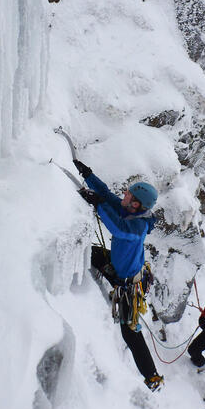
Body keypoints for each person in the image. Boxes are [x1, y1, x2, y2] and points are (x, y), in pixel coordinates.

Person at [73, 158, 164, 392]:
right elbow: (106, 194)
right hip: (118, 267)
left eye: (128, 195)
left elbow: (118, 228)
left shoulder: (137, 227)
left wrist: (98, 205)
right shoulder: (129, 210)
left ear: (136, 204)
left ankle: (152, 377)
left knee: (130, 333)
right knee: (90, 252)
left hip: (128, 286)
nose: (123, 195)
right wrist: (87, 174)